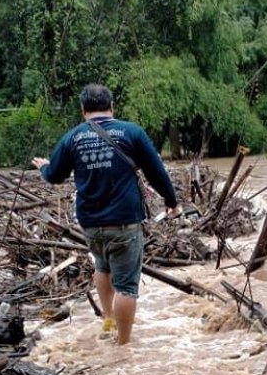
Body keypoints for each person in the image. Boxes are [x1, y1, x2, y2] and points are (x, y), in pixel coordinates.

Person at [33, 84, 181, 345]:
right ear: (112, 106)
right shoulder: (132, 132)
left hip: (90, 223)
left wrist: (44, 168)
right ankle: (123, 344)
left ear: (83, 111)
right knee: (126, 286)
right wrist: (171, 201)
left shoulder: (72, 138)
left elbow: (54, 176)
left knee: (102, 266)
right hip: (124, 222)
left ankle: (108, 319)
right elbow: (156, 172)